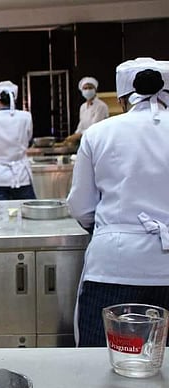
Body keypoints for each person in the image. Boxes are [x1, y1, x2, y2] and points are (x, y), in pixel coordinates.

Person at [67, 58, 169, 347]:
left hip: (115, 265)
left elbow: (81, 207)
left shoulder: (99, 133)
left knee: (101, 361)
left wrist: (113, 229)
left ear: (123, 97)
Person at [0, 80, 36, 200]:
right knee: (25, 215)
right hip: (21, 177)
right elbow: (29, 140)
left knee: (0, 216)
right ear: (14, 98)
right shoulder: (25, 117)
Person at [64, 77, 109, 146]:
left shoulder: (101, 106)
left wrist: (79, 135)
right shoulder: (83, 107)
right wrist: (74, 135)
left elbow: (95, 127)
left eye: (90, 87)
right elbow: (81, 125)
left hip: (98, 141)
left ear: (95, 89)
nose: (88, 90)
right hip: (86, 140)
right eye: (85, 88)